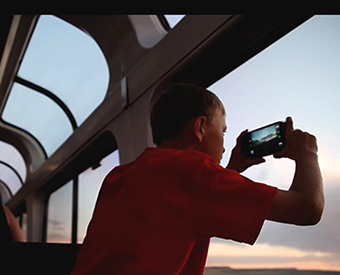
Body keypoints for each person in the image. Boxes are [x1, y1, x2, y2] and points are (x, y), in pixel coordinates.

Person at [71, 83, 323, 275]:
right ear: (200, 128)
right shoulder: (194, 172)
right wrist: (307, 153)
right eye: (222, 131)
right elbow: (307, 208)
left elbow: (186, 204)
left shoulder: (120, 175)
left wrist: (231, 169)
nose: (224, 144)